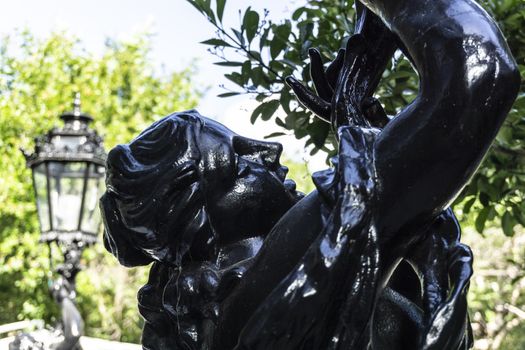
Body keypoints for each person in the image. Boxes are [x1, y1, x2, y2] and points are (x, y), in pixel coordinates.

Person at [101, 0, 520, 348]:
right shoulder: (285, 268)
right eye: (238, 159)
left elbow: (401, 211)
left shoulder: (250, 305)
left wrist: (357, 122)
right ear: (203, 226)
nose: (269, 149)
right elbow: (478, 76)